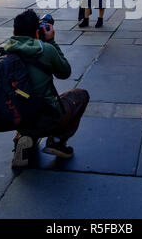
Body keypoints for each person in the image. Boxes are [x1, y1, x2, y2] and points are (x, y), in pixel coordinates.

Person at [6, 9, 90, 168]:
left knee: (23, 98)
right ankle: (57, 141)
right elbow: (65, 72)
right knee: (80, 95)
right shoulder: (45, 50)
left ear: (14, 31)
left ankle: (24, 137)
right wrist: (51, 41)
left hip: (15, 118)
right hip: (45, 118)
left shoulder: (5, 53)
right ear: (37, 33)